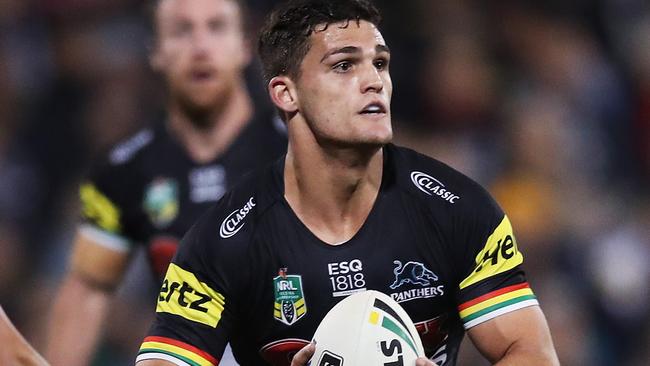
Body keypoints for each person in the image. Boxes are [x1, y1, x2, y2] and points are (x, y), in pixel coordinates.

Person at [135, 0, 559, 365]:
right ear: (286, 94)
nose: (374, 81)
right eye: (343, 65)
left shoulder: (458, 209)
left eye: (380, 63)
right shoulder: (223, 242)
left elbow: (531, 351)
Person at [45, 0, 286, 365]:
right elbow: (87, 289)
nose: (200, 47)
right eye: (182, 30)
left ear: (244, 44)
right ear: (156, 51)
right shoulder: (125, 170)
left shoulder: (301, 147)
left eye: (216, 27)